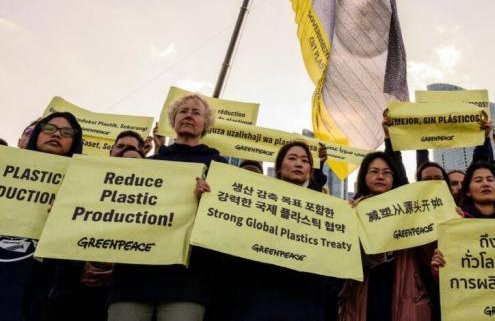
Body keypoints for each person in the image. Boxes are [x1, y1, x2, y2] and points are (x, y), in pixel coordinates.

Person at [108, 94, 225, 321]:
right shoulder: (148, 165)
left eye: (196, 112)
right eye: (183, 111)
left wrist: (208, 202)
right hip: (134, 276)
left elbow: (225, 220)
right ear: (173, 120)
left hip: (187, 280)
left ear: (206, 124)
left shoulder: (218, 166)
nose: (189, 115)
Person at [219, 141, 341, 321]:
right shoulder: (255, 201)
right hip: (259, 298)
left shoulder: (326, 211)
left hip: (305, 301)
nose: (298, 163)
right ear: (278, 167)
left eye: (305, 160)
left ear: (310, 170)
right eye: (292, 158)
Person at [0, 112, 84, 321]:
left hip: (39, 280)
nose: (56, 134)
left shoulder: (81, 185)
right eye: (49, 129)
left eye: (66, 132)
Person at [338, 151, 434, 321]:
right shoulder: (350, 210)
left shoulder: (411, 208)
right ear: (364, 176)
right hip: (365, 291)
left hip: (406, 290)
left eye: (386, 172)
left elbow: (428, 250)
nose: (380, 176)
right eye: (374, 171)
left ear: (393, 177)